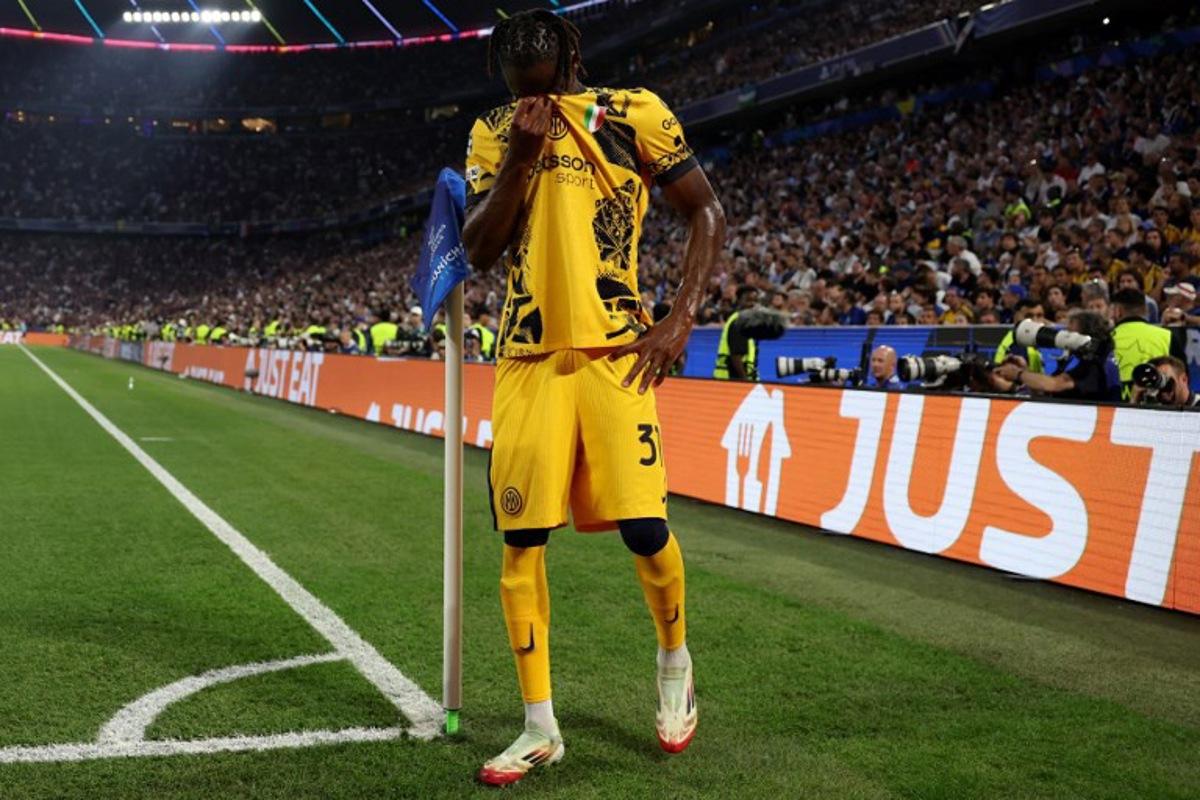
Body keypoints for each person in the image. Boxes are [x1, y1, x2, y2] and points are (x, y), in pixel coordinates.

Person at [461, 10, 725, 785]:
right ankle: (539, 726)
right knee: (521, 544)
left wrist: (680, 318)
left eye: (538, 89)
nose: (528, 101)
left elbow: (703, 209)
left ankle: (675, 663)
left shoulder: (634, 114)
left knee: (645, 527)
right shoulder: (494, 130)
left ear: (571, 57)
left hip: (617, 355)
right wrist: (521, 153)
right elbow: (479, 248)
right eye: (517, 90)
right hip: (529, 361)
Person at [993, 311, 1119, 401]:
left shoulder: (1096, 363)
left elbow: (1054, 385)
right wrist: (1025, 371)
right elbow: (1046, 389)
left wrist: (1018, 374)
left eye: (1070, 332)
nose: (1065, 336)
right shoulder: (1079, 359)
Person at [1109, 289, 1173, 401]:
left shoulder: (1106, 339)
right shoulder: (1167, 335)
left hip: (1115, 409)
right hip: (1160, 408)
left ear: (1117, 311)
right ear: (1145, 310)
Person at [713, 286, 761, 380]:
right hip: (731, 380)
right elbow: (736, 356)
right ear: (739, 301)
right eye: (748, 300)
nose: (752, 304)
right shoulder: (738, 322)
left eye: (755, 301)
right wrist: (744, 381)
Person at [1130, 356, 1200, 409]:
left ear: (1184, 379)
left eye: (1165, 379)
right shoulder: (1155, 409)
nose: (1162, 389)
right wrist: (1134, 401)